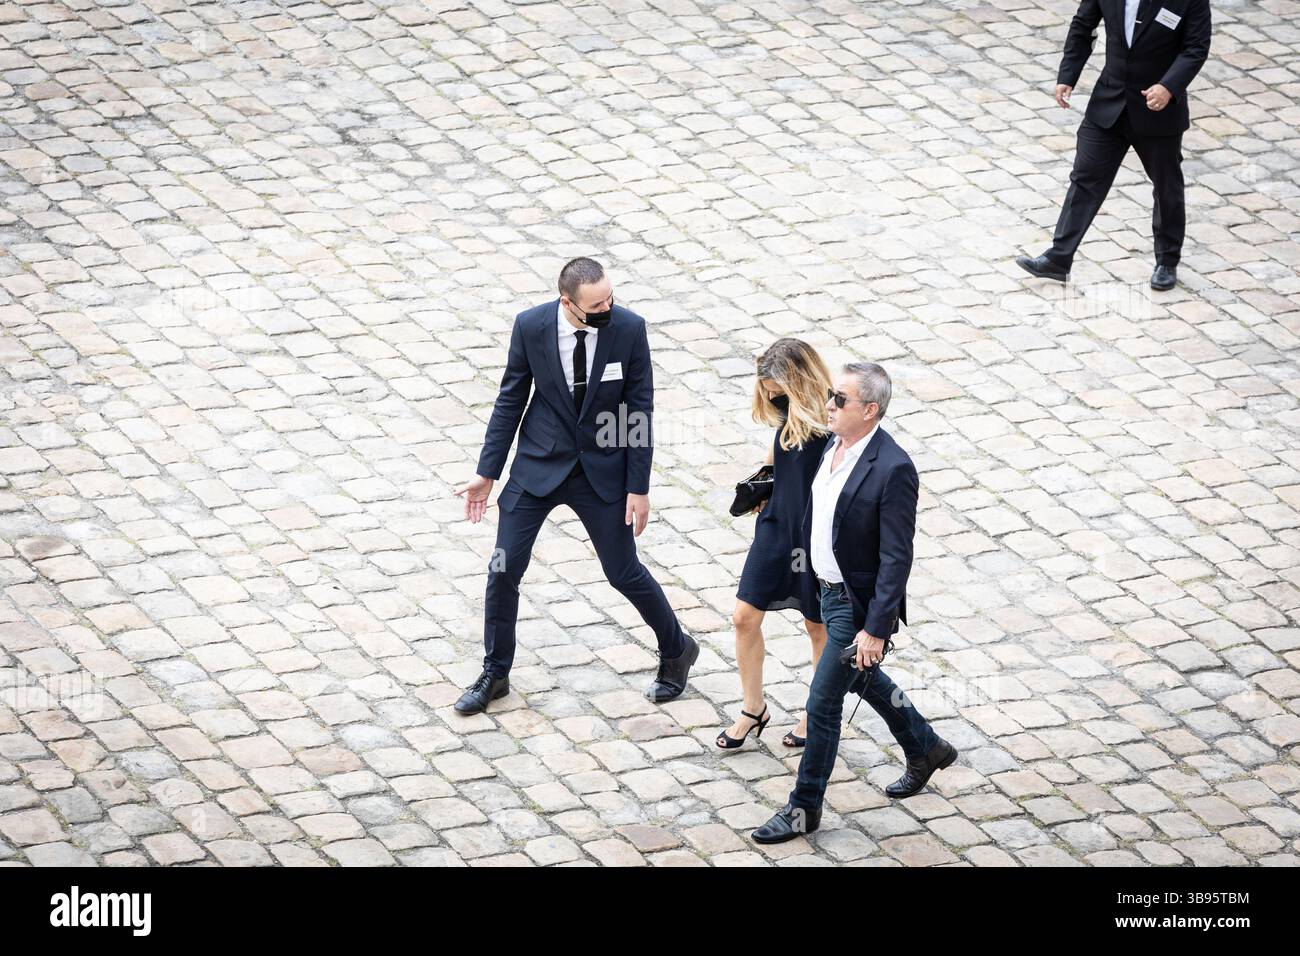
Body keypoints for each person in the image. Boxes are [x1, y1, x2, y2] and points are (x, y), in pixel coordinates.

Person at [453, 257, 697, 714]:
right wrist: (488, 473)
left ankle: (677, 648)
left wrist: (638, 487)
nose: (608, 307)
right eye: (597, 303)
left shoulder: (628, 329)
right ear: (568, 302)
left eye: (610, 297)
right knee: (503, 568)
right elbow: (510, 399)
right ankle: (496, 671)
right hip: (537, 468)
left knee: (623, 571)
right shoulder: (530, 327)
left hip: (602, 472)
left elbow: (638, 410)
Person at [751, 362, 957, 845]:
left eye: (838, 400)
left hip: (855, 603)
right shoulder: (831, 445)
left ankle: (804, 807)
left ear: (870, 410)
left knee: (822, 702)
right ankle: (925, 746)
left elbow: (896, 557)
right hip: (821, 586)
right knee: (861, 673)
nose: (828, 404)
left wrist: (876, 629)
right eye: (830, 395)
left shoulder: (893, 468)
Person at [1016, 0, 1212, 290]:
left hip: (1158, 111)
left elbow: (1195, 48)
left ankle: (1167, 261)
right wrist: (1068, 75)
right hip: (1109, 103)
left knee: (1166, 185)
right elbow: (1083, 26)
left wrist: (1169, 87)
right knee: (1085, 178)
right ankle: (1059, 258)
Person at [717, 340, 831, 751]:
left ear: (798, 383)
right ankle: (753, 707)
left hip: (815, 532)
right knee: (744, 616)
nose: (768, 395)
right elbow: (779, 450)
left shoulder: (835, 419)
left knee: (817, 625)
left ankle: (814, 713)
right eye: (764, 387)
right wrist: (762, 480)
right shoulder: (786, 412)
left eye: (775, 388)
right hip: (777, 524)